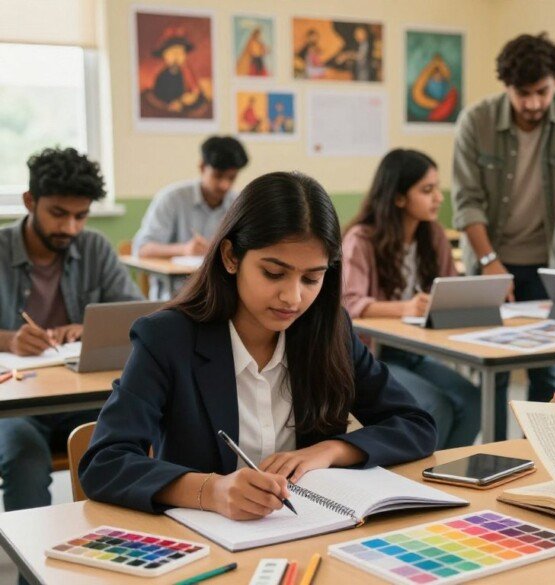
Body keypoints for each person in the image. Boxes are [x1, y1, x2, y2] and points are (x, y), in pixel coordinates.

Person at [79, 171, 436, 519]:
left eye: (312, 278)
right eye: (273, 273)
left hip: (310, 533)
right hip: (208, 544)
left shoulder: (328, 330)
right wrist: (210, 491)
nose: (292, 297)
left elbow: (415, 424)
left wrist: (330, 450)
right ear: (231, 257)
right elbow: (105, 462)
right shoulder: (168, 338)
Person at [452, 32, 555, 440]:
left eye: (543, 91)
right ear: (506, 86)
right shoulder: (476, 121)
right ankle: (498, 454)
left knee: (547, 369)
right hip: (489, 260)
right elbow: (467, 203)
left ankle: (542, 457)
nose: (533, 103)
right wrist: (489, 264)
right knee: (493, 368)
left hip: (548, 261)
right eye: (523, 94)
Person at [0, 147, 143, 514]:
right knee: (24, 458)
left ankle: (114, 552)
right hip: (14, 405)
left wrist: (86, 328)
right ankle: (30, 572)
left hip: (79, 395)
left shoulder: (93, 246)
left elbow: (137, 318)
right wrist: (10, 339)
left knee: (131, 442)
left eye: (81, 216)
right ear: (30, 201)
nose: (70, 228)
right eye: (58, 214)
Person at [343, 149, 481, 449]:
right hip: (373, 356)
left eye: (436, 188)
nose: (438, 197)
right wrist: (404, 308)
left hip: (415, 351)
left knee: (473, 399)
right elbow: (350, 305)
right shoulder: (361, 240)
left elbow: (450, 287)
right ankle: (423, 485)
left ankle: (447, 476)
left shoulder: (433, 236)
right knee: (434, 406)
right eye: (427, 190)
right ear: (399, 197)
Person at [133, 136, 249, 299]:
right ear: (202, 167)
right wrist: (184, 250)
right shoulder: (171, 199)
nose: (225, 185)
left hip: (220, 295)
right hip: (175, 297)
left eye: (231, 178)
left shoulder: (238, 204)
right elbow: (142, 250)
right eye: (218, 176)